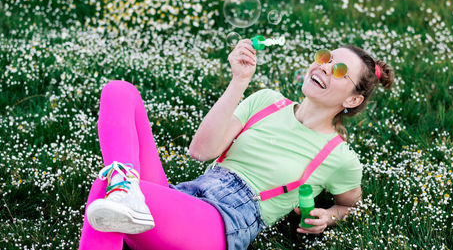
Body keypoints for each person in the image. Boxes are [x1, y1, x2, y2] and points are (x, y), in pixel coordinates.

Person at [78, 39, 394, 250]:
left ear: (352, 99)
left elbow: (350, 204)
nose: (324, 67)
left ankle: (122, 191)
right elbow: (201, 151)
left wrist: (328, 216)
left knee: (106, 186)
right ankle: (126, 191)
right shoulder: (267, 101)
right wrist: (239, 81)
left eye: (338, 70)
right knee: (120, 91)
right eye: (325, 58)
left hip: (219, 224)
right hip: (185, 198)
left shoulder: (339, 157)